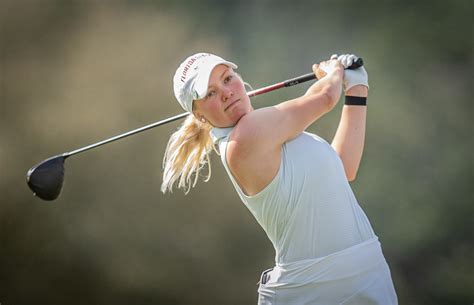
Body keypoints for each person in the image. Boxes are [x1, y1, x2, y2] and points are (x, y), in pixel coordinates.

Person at [162, 52, 398, 304]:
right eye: (210, 93)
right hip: (315, 293)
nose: (226, 92)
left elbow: (344, 170)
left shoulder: (270, 132)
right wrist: (334, 72)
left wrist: (357, 89)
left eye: (227, 78)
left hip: (365, 276)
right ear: (199, 116)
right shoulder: (243, 139)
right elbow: (325, 97)